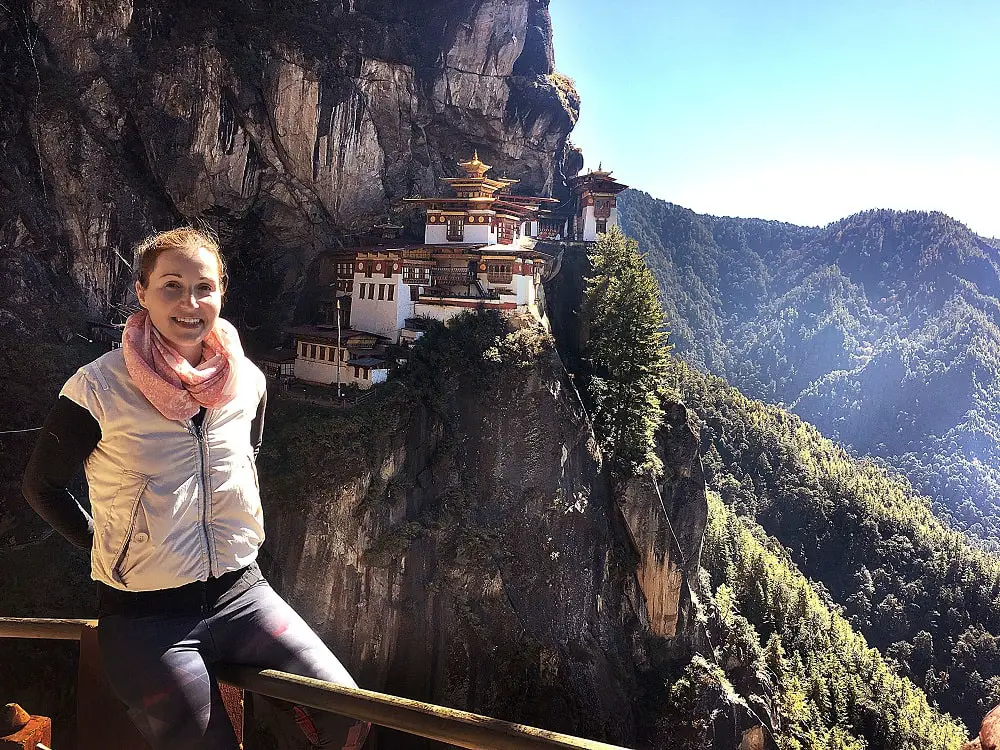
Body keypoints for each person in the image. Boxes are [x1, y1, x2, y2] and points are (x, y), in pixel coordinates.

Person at [21, 228, 370, 750]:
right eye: (171, 286)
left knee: (347, 715)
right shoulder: (97, 389)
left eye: (204, 287)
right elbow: (41, 486)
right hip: (146, 617)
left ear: (221, 293)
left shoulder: (247, 381)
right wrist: (107, 546)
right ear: (141, 293)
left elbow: (245, 461)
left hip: (244, 595)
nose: (189, 303)